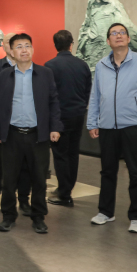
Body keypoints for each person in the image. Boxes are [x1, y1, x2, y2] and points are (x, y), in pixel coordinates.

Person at [87, 23, 137, 234]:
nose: (118, 36)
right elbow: (95, 96)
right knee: (107, 171)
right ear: (108, 41)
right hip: (107, 126)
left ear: (128, 38)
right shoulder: (101, 65)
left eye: (122, 33)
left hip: (133, 125)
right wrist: (92, 122)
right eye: (114, 33)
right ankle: (105, 211)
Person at [0, 34, 63, 234]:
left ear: (32, 49)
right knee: (9, 179)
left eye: (27, 46)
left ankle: (38, 217)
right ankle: (8, 216)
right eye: (19, 46)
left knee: (39, 179)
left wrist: (55, 127)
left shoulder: (45, 73)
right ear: (12, 52)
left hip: (37, 135)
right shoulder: (4, 75)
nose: (24, 50)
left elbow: (54, 102)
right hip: (12, 135)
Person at [0, 33, 32, 216]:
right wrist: (9, 110)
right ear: (4, 46)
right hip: (2, 124)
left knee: (24, 164)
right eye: (10, 43)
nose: (15, 46)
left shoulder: (29, 67)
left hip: (24, 125)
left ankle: (24, 200)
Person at [44, 29, 92, 207]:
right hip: (78, 115)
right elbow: (87, 90)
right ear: (71, 44)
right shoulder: (82, 65)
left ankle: (64, 193)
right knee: (73, 153)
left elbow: (48, 94)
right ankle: (68, 188)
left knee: (60, 155)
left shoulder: (50, 66)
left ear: (55, 45)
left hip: (59, 117)